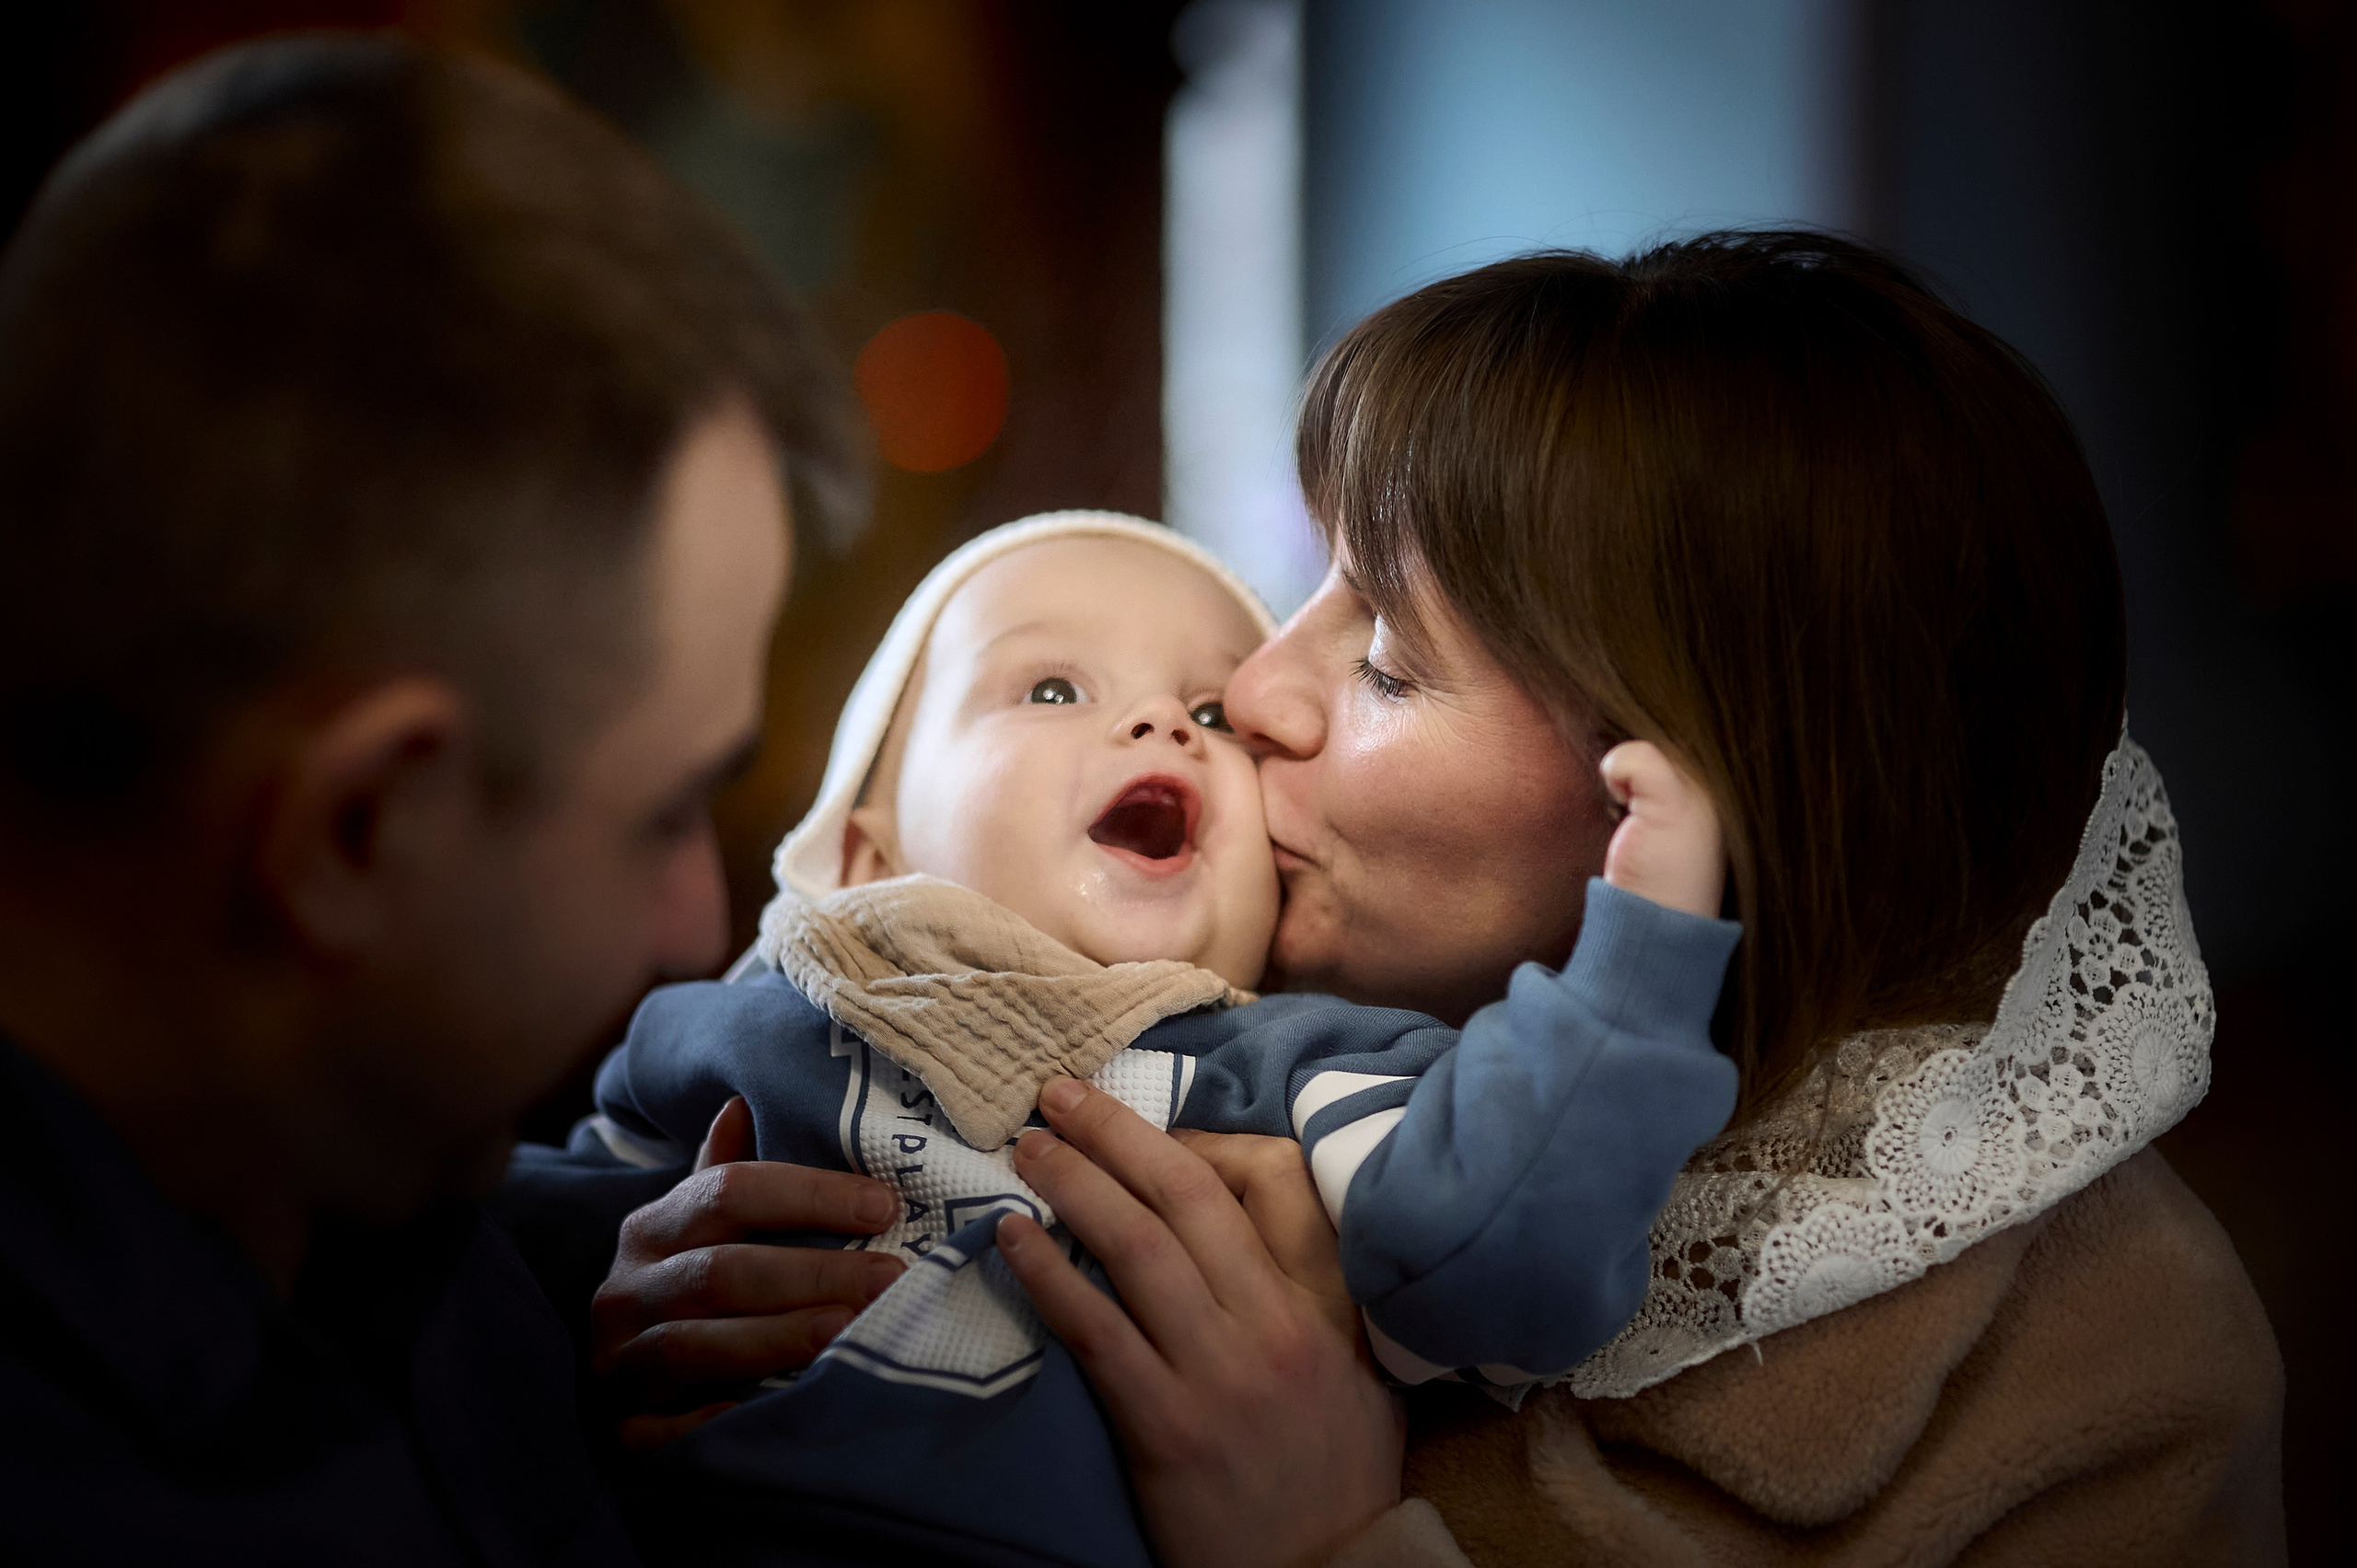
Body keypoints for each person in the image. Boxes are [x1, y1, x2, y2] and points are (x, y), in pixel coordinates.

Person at [596, 234, 2287, 1564]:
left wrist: (1330, 1544)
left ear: (1695, 808)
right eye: (1309, 581)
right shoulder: (1145, 1000)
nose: (1250, 693)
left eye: (1388, 660)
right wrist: (625, 1289)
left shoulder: (2102, 1362)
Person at [0, 35, 1399, 1568]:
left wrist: (577, 1329)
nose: (695, 926)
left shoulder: (402, 1231)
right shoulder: (146, 1496)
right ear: (359, 831)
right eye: (665, 812)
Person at [528, 509, 1737, 1566]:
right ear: (861, 851)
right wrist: (596, 1315)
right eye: (1053, 690)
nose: (1166, 722)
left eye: (1209, 711)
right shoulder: (735, 1032)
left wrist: (1633, 976)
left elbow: (1505, 1262)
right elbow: (472, 1260)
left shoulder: (1296, 1071)